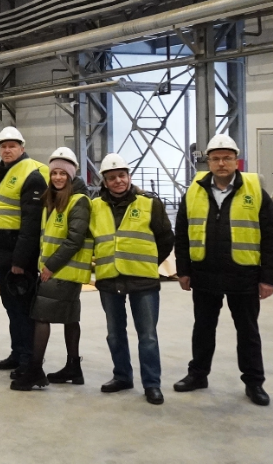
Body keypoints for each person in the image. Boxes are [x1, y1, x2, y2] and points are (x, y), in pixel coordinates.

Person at [173, 134, 273, 406]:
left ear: (236, 161)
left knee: (248, 332)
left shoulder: (255, 190)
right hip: (204, 274)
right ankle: (198, 375)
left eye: (227, 158)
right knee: (203, 329)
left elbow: (272, 237)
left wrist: (268, 278)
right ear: (208, 162)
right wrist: (183, 270)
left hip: (243, 275)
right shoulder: (193, 191)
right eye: (216, 158)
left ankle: (254, 383)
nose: (221, 163)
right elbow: (182, 234)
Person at [91, 153, 174, 405]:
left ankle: (152, 384)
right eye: (112, 177)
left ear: (129, 176)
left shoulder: (150, 204)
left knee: (147, 335)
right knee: (114, 334)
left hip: (142, 280)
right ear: (105, 182)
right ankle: (122, 376)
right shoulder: (95, 207)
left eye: (122, 175)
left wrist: (148, 262)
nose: (118, 181)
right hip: (109, 278)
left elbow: (166, 238)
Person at [11, 147, 92, 391]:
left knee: (41, 317)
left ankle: (35, 370)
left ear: (71, 175)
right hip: (61, 271)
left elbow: (74, 239)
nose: (57, 177)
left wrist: (49, 266)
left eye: (62, 173)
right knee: (69, 318)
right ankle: (73, 367)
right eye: (54, 172)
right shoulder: (54, 199)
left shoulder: (78, 201)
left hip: (61, 271)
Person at [0, 126, 49, 378]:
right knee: (11, 307)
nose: (7, 150)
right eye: (3, 146)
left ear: (22, 148)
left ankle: (28, 360)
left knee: (23, 309)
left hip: (19, 255)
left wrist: (20, 261)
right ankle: (17, 353)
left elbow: (31, 224)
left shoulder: (31, 175)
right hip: (3, 253)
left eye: (12, 146)